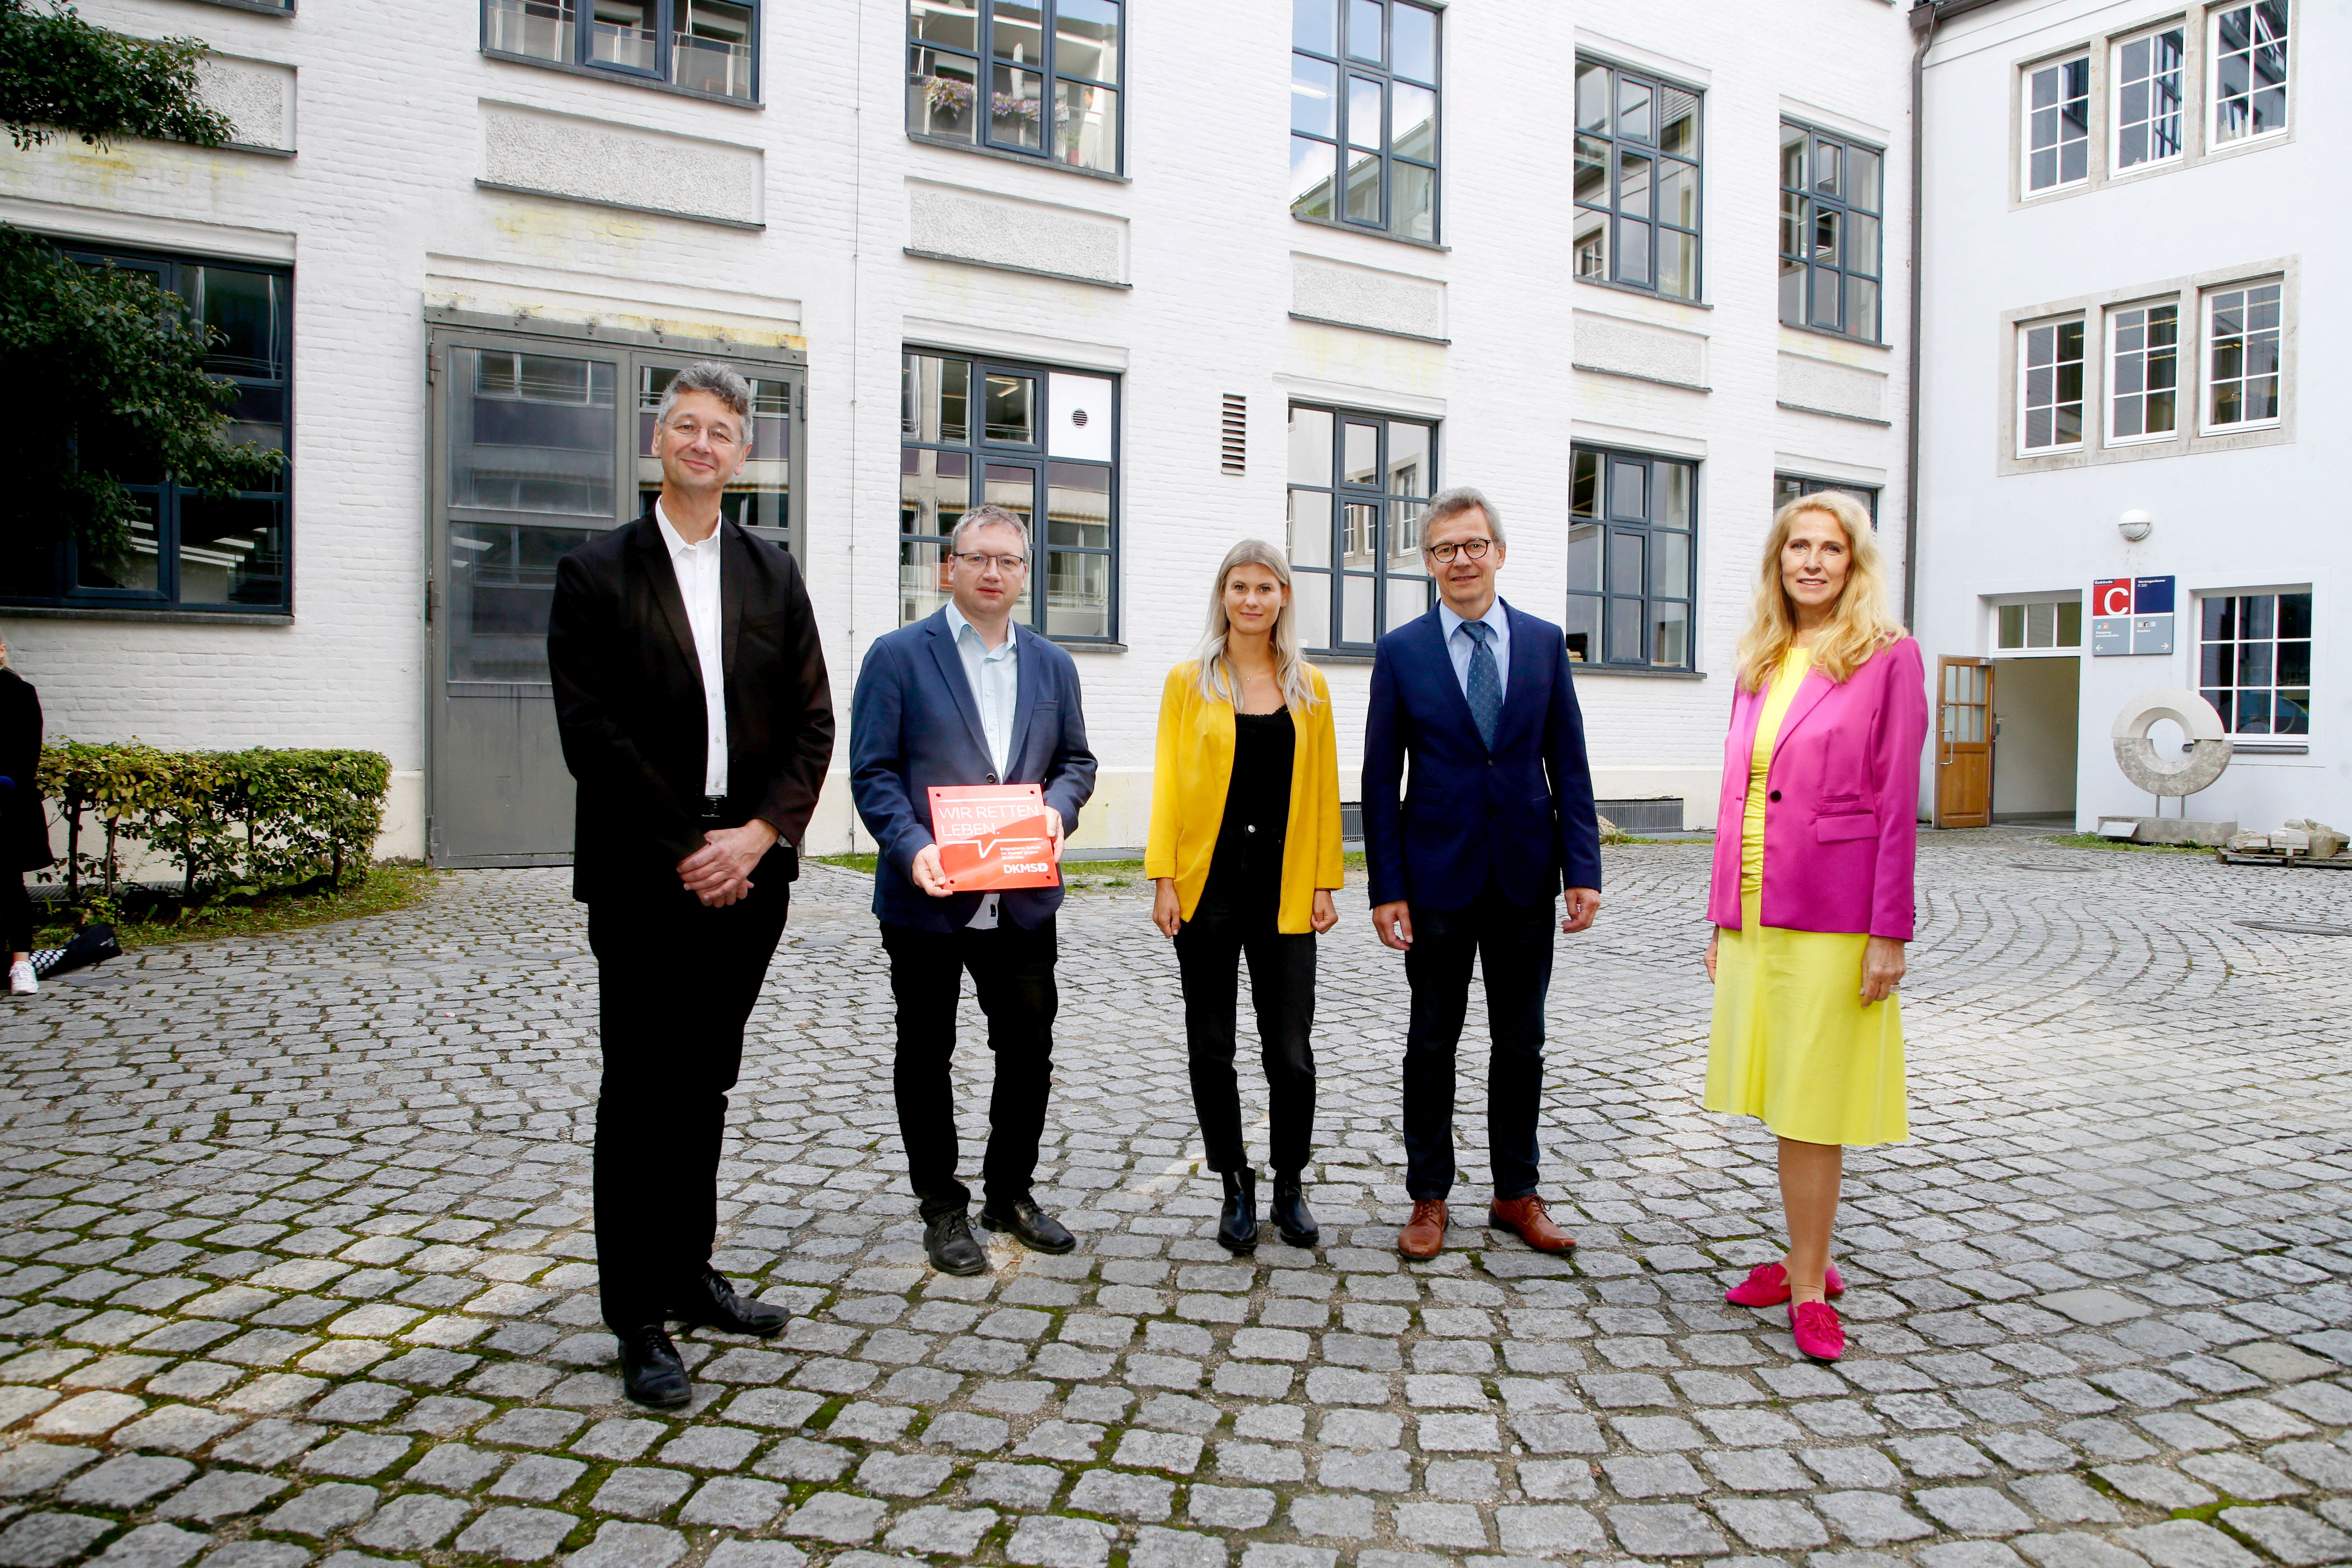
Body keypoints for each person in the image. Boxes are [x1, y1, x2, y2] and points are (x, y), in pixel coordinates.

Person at [547, 362, 835, 1408]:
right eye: (686, 425)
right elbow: (594, 735)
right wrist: (688, 845)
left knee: (705, 1080)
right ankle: (636, 1314)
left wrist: (757, 834)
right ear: (656, 438)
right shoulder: (594, 572)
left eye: (722, 430)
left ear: (743, 451)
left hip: (750, 872)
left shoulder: (772, 572)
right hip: (643, 872)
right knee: (639, 1091)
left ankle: (686, 1268)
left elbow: (812, 721)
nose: (703, 443)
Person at [1702, 490, 1925, 1363]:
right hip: (1758, 909)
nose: (1810, 562)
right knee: (1775, 1089)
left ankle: (1804, 1288)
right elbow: (1736, 798)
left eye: (1828, 549)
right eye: (1796, 546)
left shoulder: (1886, 657)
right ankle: (1811, 1255)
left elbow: (1896, 804)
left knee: (1811, 1101)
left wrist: (1887, 932)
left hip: (1833, 914)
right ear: (1777, 560)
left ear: (1852, 563)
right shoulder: (1760, 657)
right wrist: (1722, 915)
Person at [849, 503, 1097, 1277]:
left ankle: (1009, 1193)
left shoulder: (1053, 665)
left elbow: (1076, 763)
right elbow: (873, 771)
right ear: (945, 567)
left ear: (1025, 574)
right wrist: (911, 845)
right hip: (926, 897)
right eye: (977, 557)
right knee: (925, 1052)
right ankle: (941, 1208)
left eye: (1009, 561)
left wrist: (1057, 814)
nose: (993, 572)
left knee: (1026, 1050)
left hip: (1021, 897)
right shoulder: (896, 656)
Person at [1362, 487, 1603, 1262]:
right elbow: (1378, 778)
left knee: (1520, 1040)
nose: (1459, 560)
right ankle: (1427, 1198)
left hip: (1524, 876)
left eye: (1471, 545)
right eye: (1442, 549)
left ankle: (1514, 1193)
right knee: (1431, 1041)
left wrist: (1582, 867)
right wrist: (1386, 886)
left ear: (1498, 552)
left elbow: (1565, 760)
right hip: (1433, 876)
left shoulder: (1539, 644)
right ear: (1426, 562)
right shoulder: (1401, 652)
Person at [1146, 541, 1343, 1254]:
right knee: (1212, 1047)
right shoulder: (1187, 682)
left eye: (1266, 587)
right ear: (1223, 595)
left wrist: (1326, 881)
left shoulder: (1311, 689)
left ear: (1285, 596)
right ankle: (1234, 1180)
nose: (1252, 600)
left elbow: (1324, 792)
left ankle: (1290, 1180)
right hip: (1209, 888)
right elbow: (1168, 783)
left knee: (1290, 1051)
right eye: (1240, 587)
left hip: (1286, 890)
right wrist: (1164, 878)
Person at [0, 632, 46, 996]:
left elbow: (26, 754)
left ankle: (21, 965)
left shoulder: (19, 692)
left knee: (9, 885)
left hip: (5, 803)